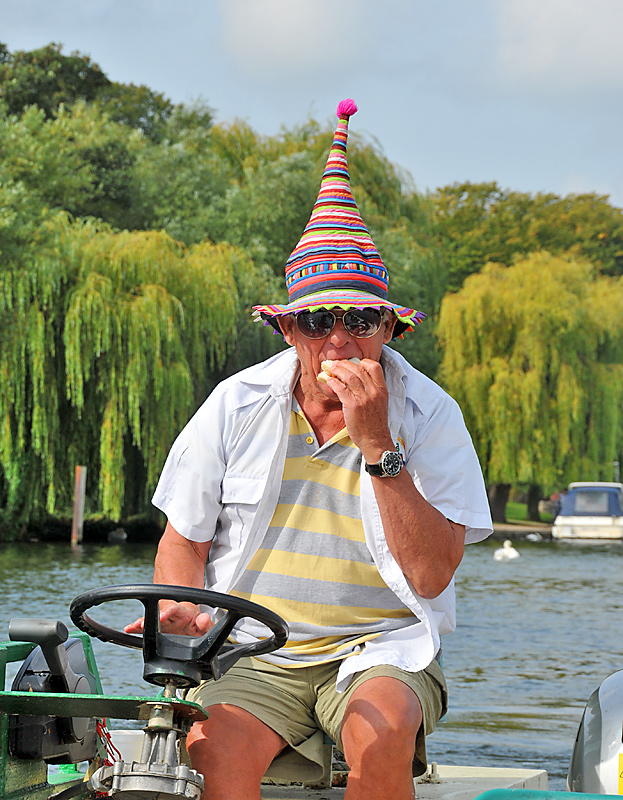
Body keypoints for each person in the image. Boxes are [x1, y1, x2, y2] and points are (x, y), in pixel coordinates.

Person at [126, 99, 493, 800]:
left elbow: (432, 575)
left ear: (390, 329)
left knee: (379, 737)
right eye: (318, 320)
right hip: (255, 646)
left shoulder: (430, 414)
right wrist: (182, 606)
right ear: (287, 330)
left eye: (359, 319)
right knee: (208, 750)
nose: (338, 341)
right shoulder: (234, 404)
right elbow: (183, 539)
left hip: (382, 645)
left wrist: (378, 443)